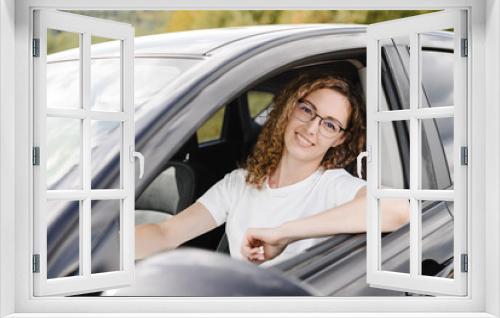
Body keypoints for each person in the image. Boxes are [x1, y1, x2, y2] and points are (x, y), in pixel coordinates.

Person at [135, 74, 410, 265]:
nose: (311, 128)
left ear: (339, 138)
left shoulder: (333, 185)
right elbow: (166, 234)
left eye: (329, 124)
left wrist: (285, 232)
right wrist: (97, 243)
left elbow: (399, 210)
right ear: (290, 110)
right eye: (307, 110)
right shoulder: (240, 183)